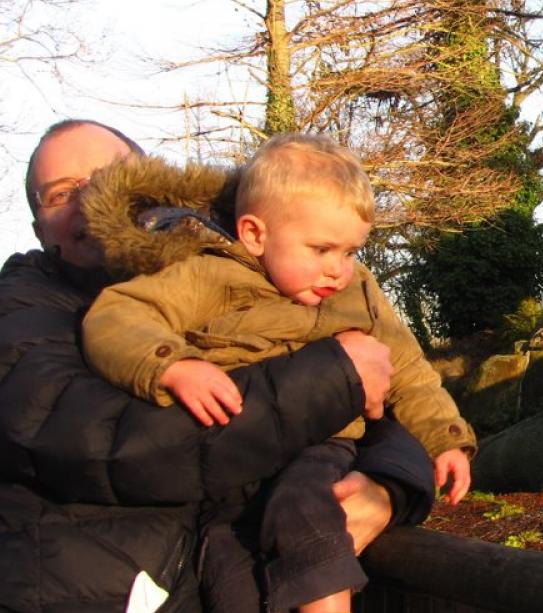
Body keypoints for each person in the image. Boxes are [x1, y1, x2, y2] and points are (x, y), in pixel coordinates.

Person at [0, 120, 431, 612]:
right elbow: (114, 443)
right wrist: (336, 377)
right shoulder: (22, 312)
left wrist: (391, 480)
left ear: (149, 184)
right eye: (60, 193)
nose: (90, 200)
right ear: (38, 227)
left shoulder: (225, 272)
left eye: (107, 177)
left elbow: (389, 383)